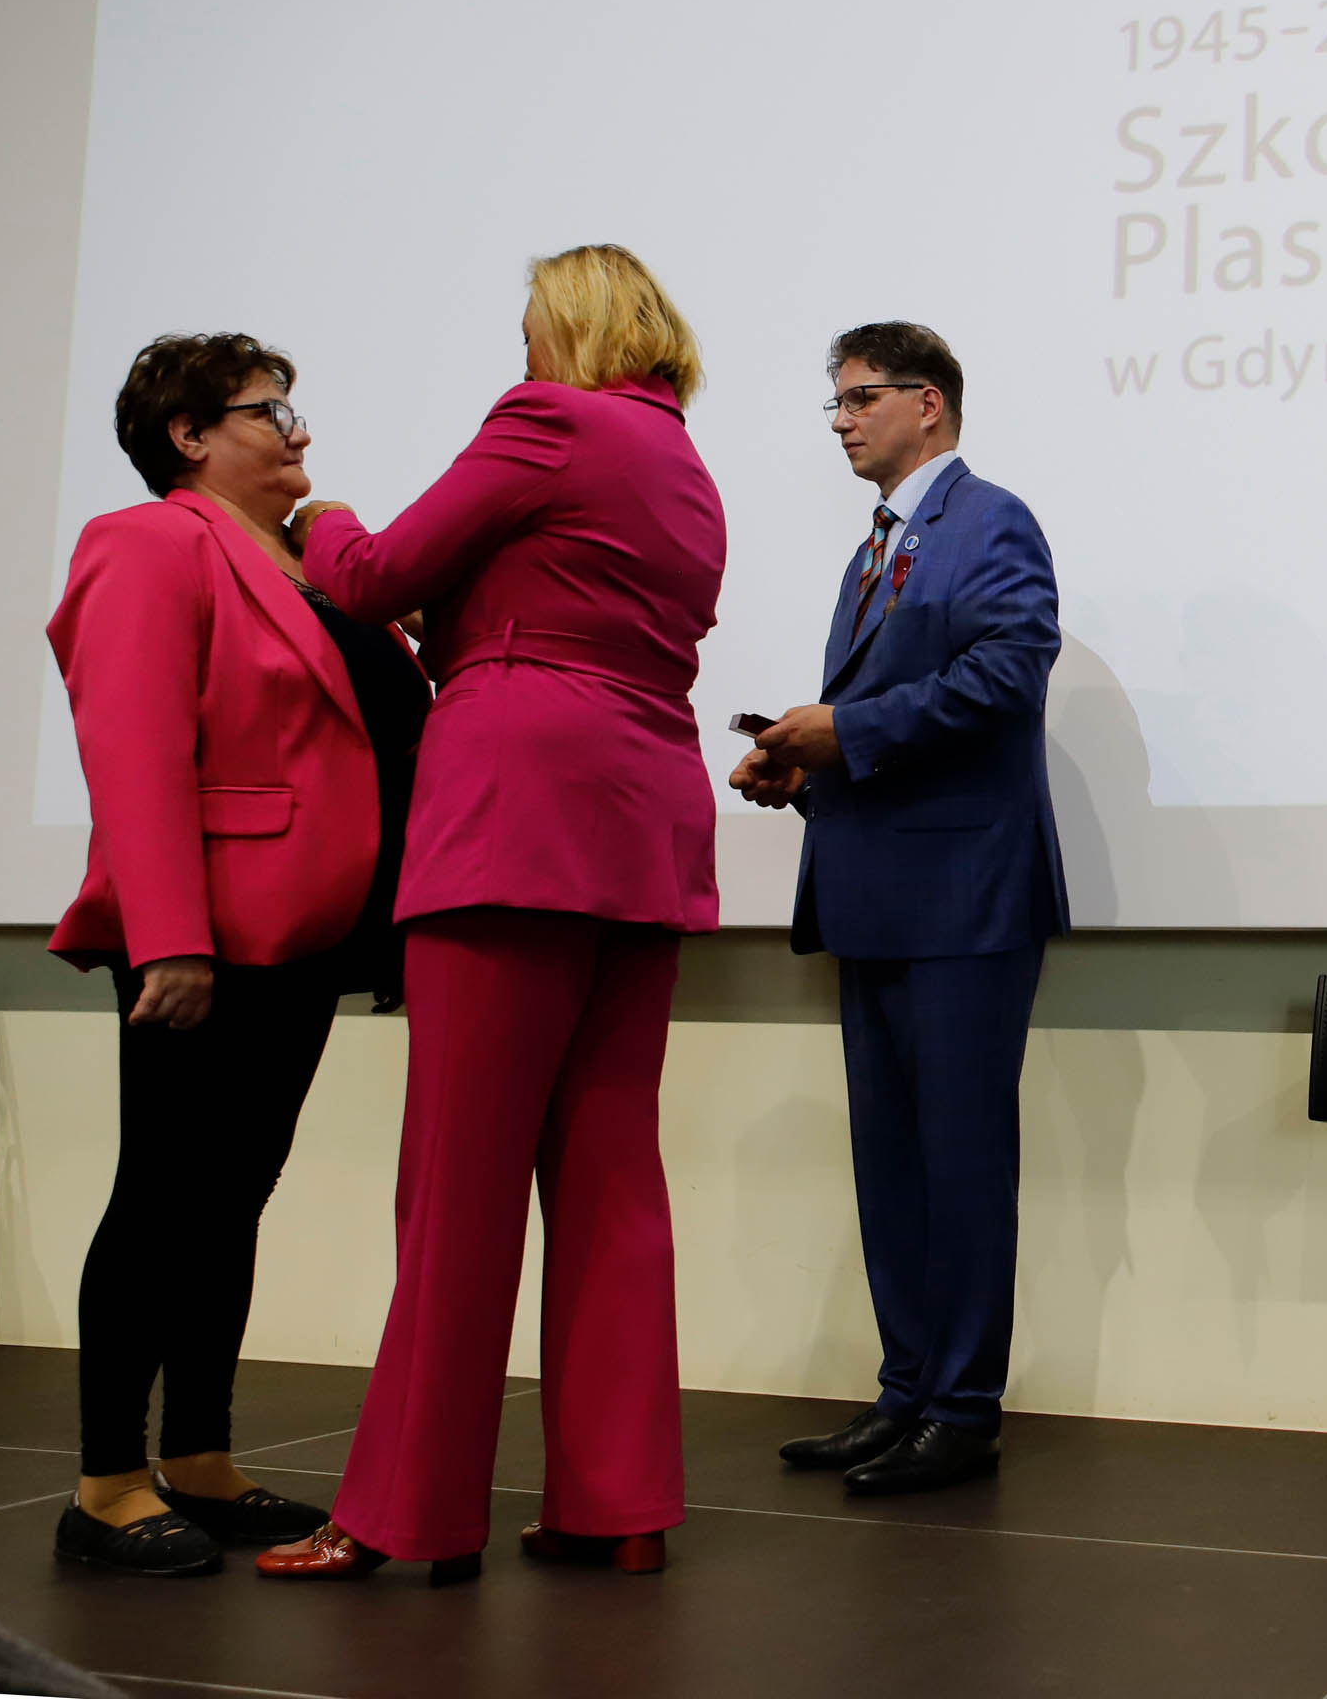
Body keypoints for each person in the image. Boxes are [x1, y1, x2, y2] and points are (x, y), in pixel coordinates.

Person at [254, 246, 725, 1582]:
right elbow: (571, 618)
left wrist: (324, 520)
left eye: (531, 330)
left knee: (457, 1186)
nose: (521, 356)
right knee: (611, 1177)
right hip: (644, 822)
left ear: (570, 331)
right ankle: (617, 1506)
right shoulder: (687, 466)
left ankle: (402, 1514)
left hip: (516, 815)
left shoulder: (548, 420)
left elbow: (372, 572)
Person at [46, 333, 428, 1577]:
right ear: (190, 435)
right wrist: (170, 936)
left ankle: (200, 1455)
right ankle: (107, 1484)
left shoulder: (308, 564)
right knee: (161, 1198)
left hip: (307, 930)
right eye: (272, 411)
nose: (297, 431)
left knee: (231, 1198)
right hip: (203, 935)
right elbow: (133, 746)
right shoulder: (149, 542)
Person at [734, 321, 1069, 1495]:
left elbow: (1009, 672)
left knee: (961, 1162)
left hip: (964, 900)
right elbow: (891, 714)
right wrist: (804, 763)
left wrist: (848, 731)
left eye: (860, 397)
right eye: (834, 402)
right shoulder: (874, 549)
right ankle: (907, 1392)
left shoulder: (991, 521)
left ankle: (963, 1411)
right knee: (892, 1166)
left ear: (928, 402)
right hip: (877, 892)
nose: (841, 420)